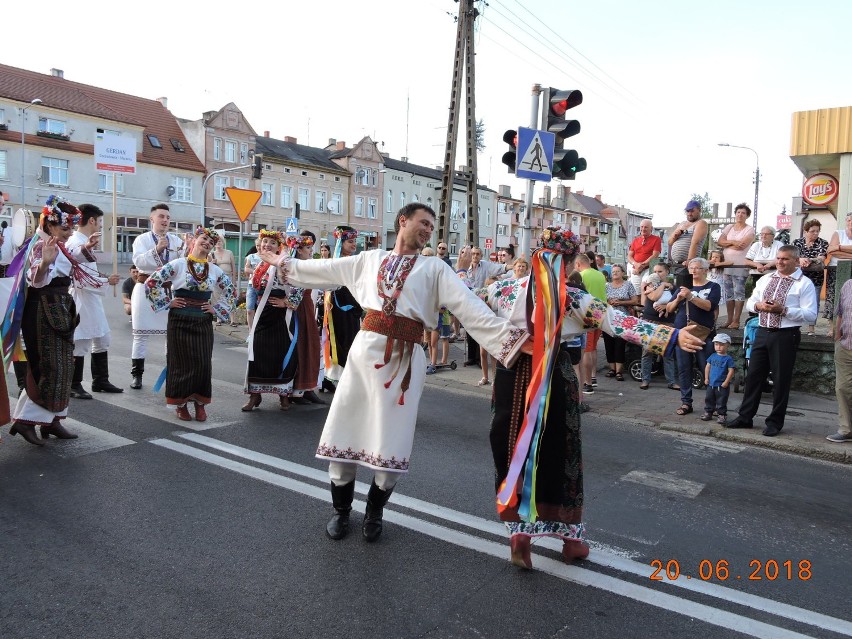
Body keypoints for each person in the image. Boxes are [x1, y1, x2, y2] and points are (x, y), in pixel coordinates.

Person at [258, 203, 532, 544]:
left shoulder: (435, 269)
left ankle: (374, 511)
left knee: (392, 440)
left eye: (432, 226)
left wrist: (511, 341)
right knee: (346, 429)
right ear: (402, 220)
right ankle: (341, 512)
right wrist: (282, 263)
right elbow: (322, 269)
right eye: (423, 223)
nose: (428, 230)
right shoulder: (368, 260)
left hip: (405, 360)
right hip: (363, 354)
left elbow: (469, 306)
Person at [480, 227, 704, 570]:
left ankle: (519, 533)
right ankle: (570, 540)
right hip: (554, 375)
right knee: (562, 452)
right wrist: (671, 337)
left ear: (540, 253)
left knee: (514, 450)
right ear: (570, 261)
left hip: (511, 376)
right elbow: (620, 322)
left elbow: (466, 302)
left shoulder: (504, 289)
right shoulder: (572, 299)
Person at [8, 196, 106, 445]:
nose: (70, 232)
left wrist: (87, 248)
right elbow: (34, 279)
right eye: (65, 228)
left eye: (72, 228)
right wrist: (45, 264)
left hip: (60, 306)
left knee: (63, 366)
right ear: (50, 225)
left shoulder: (57, 244)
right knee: (48, 366)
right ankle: (24, 422)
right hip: (43, 308)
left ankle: (53, 420)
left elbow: (71, 257)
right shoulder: (38, 246)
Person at [145, 227, 235, 422]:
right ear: (194, 240)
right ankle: (181, 404)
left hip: (202, 319)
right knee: (180, 363)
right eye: (203, 238)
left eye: (211, 242)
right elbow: (151, 283)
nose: (207, 243)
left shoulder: (214, 269)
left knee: (202, 363)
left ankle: (200, 404)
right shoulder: (177, 264)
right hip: (179, 319)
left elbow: (230, 289)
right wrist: (168, 302)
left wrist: (216, 309)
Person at [727, 246, 818, 436]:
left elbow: (811, 315)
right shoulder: (766, 279)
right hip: (762, 331)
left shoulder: (804, 283)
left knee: (780, 380)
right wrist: (758, 306)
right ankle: (745, 417)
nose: (780, 262)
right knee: (753, 377)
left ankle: (775, 422)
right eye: (778, 258)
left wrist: (783, 310)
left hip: (785, 335)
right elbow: (751, 302)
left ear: (795, 260)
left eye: (785, 259)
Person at [66, 203, 123, 399]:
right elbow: (78, 272)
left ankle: (100, 380)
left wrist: (103, 278)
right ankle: (74, 384)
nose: (100, 226)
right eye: (99, 222)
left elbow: (88, 272)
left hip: (92, 298)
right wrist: (106, 280)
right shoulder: (75, 241)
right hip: (81, 298)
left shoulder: (83, 240)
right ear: (91, 220)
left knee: (102, 339)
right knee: (81, 342)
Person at [241, 230, 299, 412]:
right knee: (257, 351)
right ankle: (255, 395)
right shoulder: (259, 264)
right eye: (264, 241)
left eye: (272, 243)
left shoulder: (286, 262)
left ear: (279, 246)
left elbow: (299, 285)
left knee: (282, 350)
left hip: (281, 314)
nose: (267, 245)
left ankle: (284, 395)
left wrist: (286, 302)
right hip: (263, 312)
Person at [130, 203, 185, 389]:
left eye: (168, 217)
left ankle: (171, 373)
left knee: (170, 334)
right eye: (161, 216)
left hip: (167, 290)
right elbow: (138, 261)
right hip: (145, 288)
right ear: (152, 219)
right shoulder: (142, 239)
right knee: (140, 334)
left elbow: (183, 263)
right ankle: (137, 375)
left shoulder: (177, 241)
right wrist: (157, 250)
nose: (165, 220)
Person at [666, 257, 721, 416]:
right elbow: (669, 309)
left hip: (703, 334)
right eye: (691, 268)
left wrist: (691, 297)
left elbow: (710, 306)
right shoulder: (683, 287)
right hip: (682, 334)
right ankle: (686, 402)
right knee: (684, 369)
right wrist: (678, 298)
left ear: (705, 270)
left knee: (708, 369)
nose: (694, 271)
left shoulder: (713, 286)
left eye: (697, 268)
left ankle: (713, 404)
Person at [289, 231, 326, 406]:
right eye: (308, 247)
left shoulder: (308, 264)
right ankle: (295, 389)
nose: (312, 250)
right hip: (298, 310)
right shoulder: (294, 265)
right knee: (300, 346)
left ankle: (307, 388)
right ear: (299, 249)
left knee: (310, 347)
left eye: (312, 247)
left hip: (307, 308)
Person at [323, 226, 363, 385]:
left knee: (350, 339)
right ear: (341, 242)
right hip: (340, 306)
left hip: (352, 306)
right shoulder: (338, 262)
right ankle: (336, 376)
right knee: (340, 340)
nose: (354, 245)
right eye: (350, 241)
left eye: (355, 241)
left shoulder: (353, 260)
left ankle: (338, 376)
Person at [458, 246, 508, 367]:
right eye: (473, 254)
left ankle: (480, 359)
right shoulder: (466, 268)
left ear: (481, 256)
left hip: (482, 301)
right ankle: (471, 357)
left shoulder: (485, 265)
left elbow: (499, 268)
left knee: (480, 330)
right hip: (469, 301)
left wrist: (512, 266)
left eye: (477, 254)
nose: (475, 256)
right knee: (470, 329)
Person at [639, 263, 678, 390]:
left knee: (668, 353)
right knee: (647, 352)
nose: (656, 274)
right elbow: (654, 296)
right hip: (650, 320)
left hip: (667, 321)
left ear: (667, 272)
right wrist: (662, 285)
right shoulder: (649, 286)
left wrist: (667, 306)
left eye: (660, 271)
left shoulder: (673, 287)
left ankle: (671, 381)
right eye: (655, 271)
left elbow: (677, 303)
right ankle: (645, 379)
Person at [716, 204, 755, 329]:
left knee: (739, 292)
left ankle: (736, 321)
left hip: (740, 265)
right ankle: (729, 319)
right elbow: (720, 242)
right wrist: (733, 242)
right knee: (728, 293)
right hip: (726, 265)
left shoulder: (749, 230)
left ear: (747, 215)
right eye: (738, 212)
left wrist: (726, 244)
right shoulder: (729, 227)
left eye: (743, 213)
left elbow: (743, 245)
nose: (740, 215)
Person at [575, 253, 607, 395]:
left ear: (578, 264)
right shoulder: (600, 274)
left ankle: (587, 383)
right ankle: (593, 377)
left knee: (586, 351)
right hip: (600, 314)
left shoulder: (581, 275)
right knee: (593, 348)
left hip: (587, 315)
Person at [602, 264, 638, 380]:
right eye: (613, 272)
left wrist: (621, 303)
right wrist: (609, 302)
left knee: (619, 344)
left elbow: (635, 300)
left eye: (618, 271)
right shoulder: (606, 286)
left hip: (623, 319)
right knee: (608, 343)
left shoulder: (628, 285)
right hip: (608, 318)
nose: (615, 273)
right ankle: (612, 369)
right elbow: (602, 299)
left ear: (623, 273)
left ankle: (619, 371)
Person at [793, 219, 828, 336]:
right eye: (812, 231)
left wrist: (808, 260)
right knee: (796, 300)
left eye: (817, 231)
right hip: (799, 277)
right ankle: (795, 325)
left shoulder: (823, 242)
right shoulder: (797, 242)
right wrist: (800, 260)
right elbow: (793, 257)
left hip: (816, 277)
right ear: (806, 231)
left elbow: (821, 258)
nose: (816, 234)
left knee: (814, 301)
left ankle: (811, 328)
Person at [829, 277, 852, 443]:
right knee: (842, 388)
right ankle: (846, 429)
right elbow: (841, 313)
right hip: (845, 345)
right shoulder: (848, 285)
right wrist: (837, 337)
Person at [668, 200, 708, 288]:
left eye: (692, 211)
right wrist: (675, 235)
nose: (689, 213)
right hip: (678, 264)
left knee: (686, 290)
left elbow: (695, 242)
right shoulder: (682, 224)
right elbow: (670, 242)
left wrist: (690, 261)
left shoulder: (701, 223)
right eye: (688, 211)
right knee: (677, 290)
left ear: (699, 210)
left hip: (689, 264)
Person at [825, 212, 852, 336]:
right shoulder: (838, 233)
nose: (851, 223)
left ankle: (847, 328)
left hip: (850, 269)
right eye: (849, 220)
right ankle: (832, 328)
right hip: (836, 268)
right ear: (846, 221)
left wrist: (839, 247)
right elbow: (831, 250)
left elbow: (836, 249)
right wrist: (844, 250)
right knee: (833, 297)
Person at [701, 333, 736, 423]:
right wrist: (706, 378)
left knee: (721, 400)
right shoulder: (712, 356)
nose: (718, 347)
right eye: (716, 344)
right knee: (709, 398)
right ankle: (708, 412)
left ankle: (722, 414)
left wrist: (726, 381)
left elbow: (731, 371)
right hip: (711, 384)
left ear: (728, 345)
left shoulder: (728, 359)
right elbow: (707, 367)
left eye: (722, 345)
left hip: (721, 385)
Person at [627, 219, 661, 293]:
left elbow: (655, 255)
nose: (643, 229)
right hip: (636, 268)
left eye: (646, 227)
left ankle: (645, 304)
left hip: (649, 268)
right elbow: (629, 256)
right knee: (636, 291)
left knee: (645, 288)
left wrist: (641, 266)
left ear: (651, 228)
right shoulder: (635, 240)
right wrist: (635, 264)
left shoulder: (656, 239)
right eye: (641, 227)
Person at [209, 239, 237, 327]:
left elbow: (233, 267)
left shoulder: (229, 252)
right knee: (217, 298)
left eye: (220, 241)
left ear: (223, 243)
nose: (218, 243)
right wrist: (211, 263)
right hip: (217, 279)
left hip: (228, 277)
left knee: (230, 298)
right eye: (216, 242)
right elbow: (207, 267)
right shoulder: (211, 254)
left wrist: (234, 279)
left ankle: (233, 320)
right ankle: (219, 319)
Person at [244, 237, 263, 328]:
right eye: (257, 246)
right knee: (249, 309)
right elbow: (246, 268)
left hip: (263, 285)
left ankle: (259, 329)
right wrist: (256, 271)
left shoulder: (267, 257)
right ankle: (251, 332)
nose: (259, 247)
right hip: (252, 284)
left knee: (261, 309)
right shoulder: (251, 256)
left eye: (260, 245)